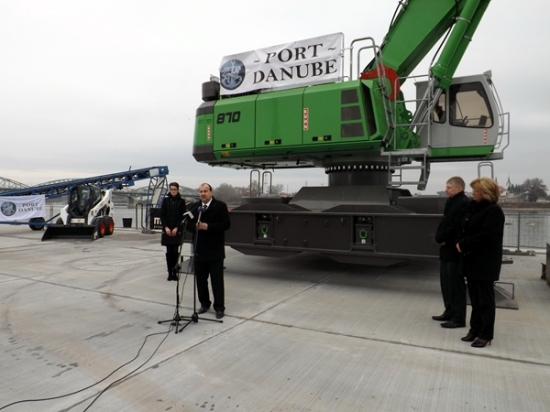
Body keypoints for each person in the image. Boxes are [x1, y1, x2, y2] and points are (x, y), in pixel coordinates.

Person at [456, 177, 505, 348]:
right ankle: (475, 329)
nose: (473, 193)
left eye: (476, 191)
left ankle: (485, 334)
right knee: (475, 299)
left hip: (485, 262)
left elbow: (486, 236)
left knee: (485, 300)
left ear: (486, 193)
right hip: (471, 260)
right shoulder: (474, 208)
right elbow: (465, 227)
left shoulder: (494, 211)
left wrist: (464, 243)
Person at [187, 183, 230, 319]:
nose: (202, 194)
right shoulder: (194, 207)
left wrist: (208, 227)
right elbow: (188, 225)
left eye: (205, 191)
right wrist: (194, 226)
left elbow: (226, 224)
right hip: (199, 249)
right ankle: (204, 304)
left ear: (211, 192)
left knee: (217, 281)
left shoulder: (220, 206)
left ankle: (219, 307)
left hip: (215, 250)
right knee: (201, 280)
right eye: (200, 191)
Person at [433, 176, 469, 328]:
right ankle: (449, 311)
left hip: (454, 249)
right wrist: (439, 237)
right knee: (446, 282)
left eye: (449, 187)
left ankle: (458, 318)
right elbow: (444, 222)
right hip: (446, 248)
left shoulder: (463, 203)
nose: (446, 190)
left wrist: (443, 237)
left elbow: (456, 226)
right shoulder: (451, 202)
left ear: (459, 188)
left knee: (455, 284)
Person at [160, 182, 187, 281]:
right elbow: (162, 215)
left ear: (178, 190)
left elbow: (182, 216)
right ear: (169, 190)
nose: (173, 191)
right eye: (171, 189)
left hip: (176, 230)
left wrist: (177, 227)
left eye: (175, 189)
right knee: (169, 252)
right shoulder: (165, 201)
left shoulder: (181, 201)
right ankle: (169, 272)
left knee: (175, 252)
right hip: (167, 229)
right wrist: (165, 227)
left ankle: (175, 272)